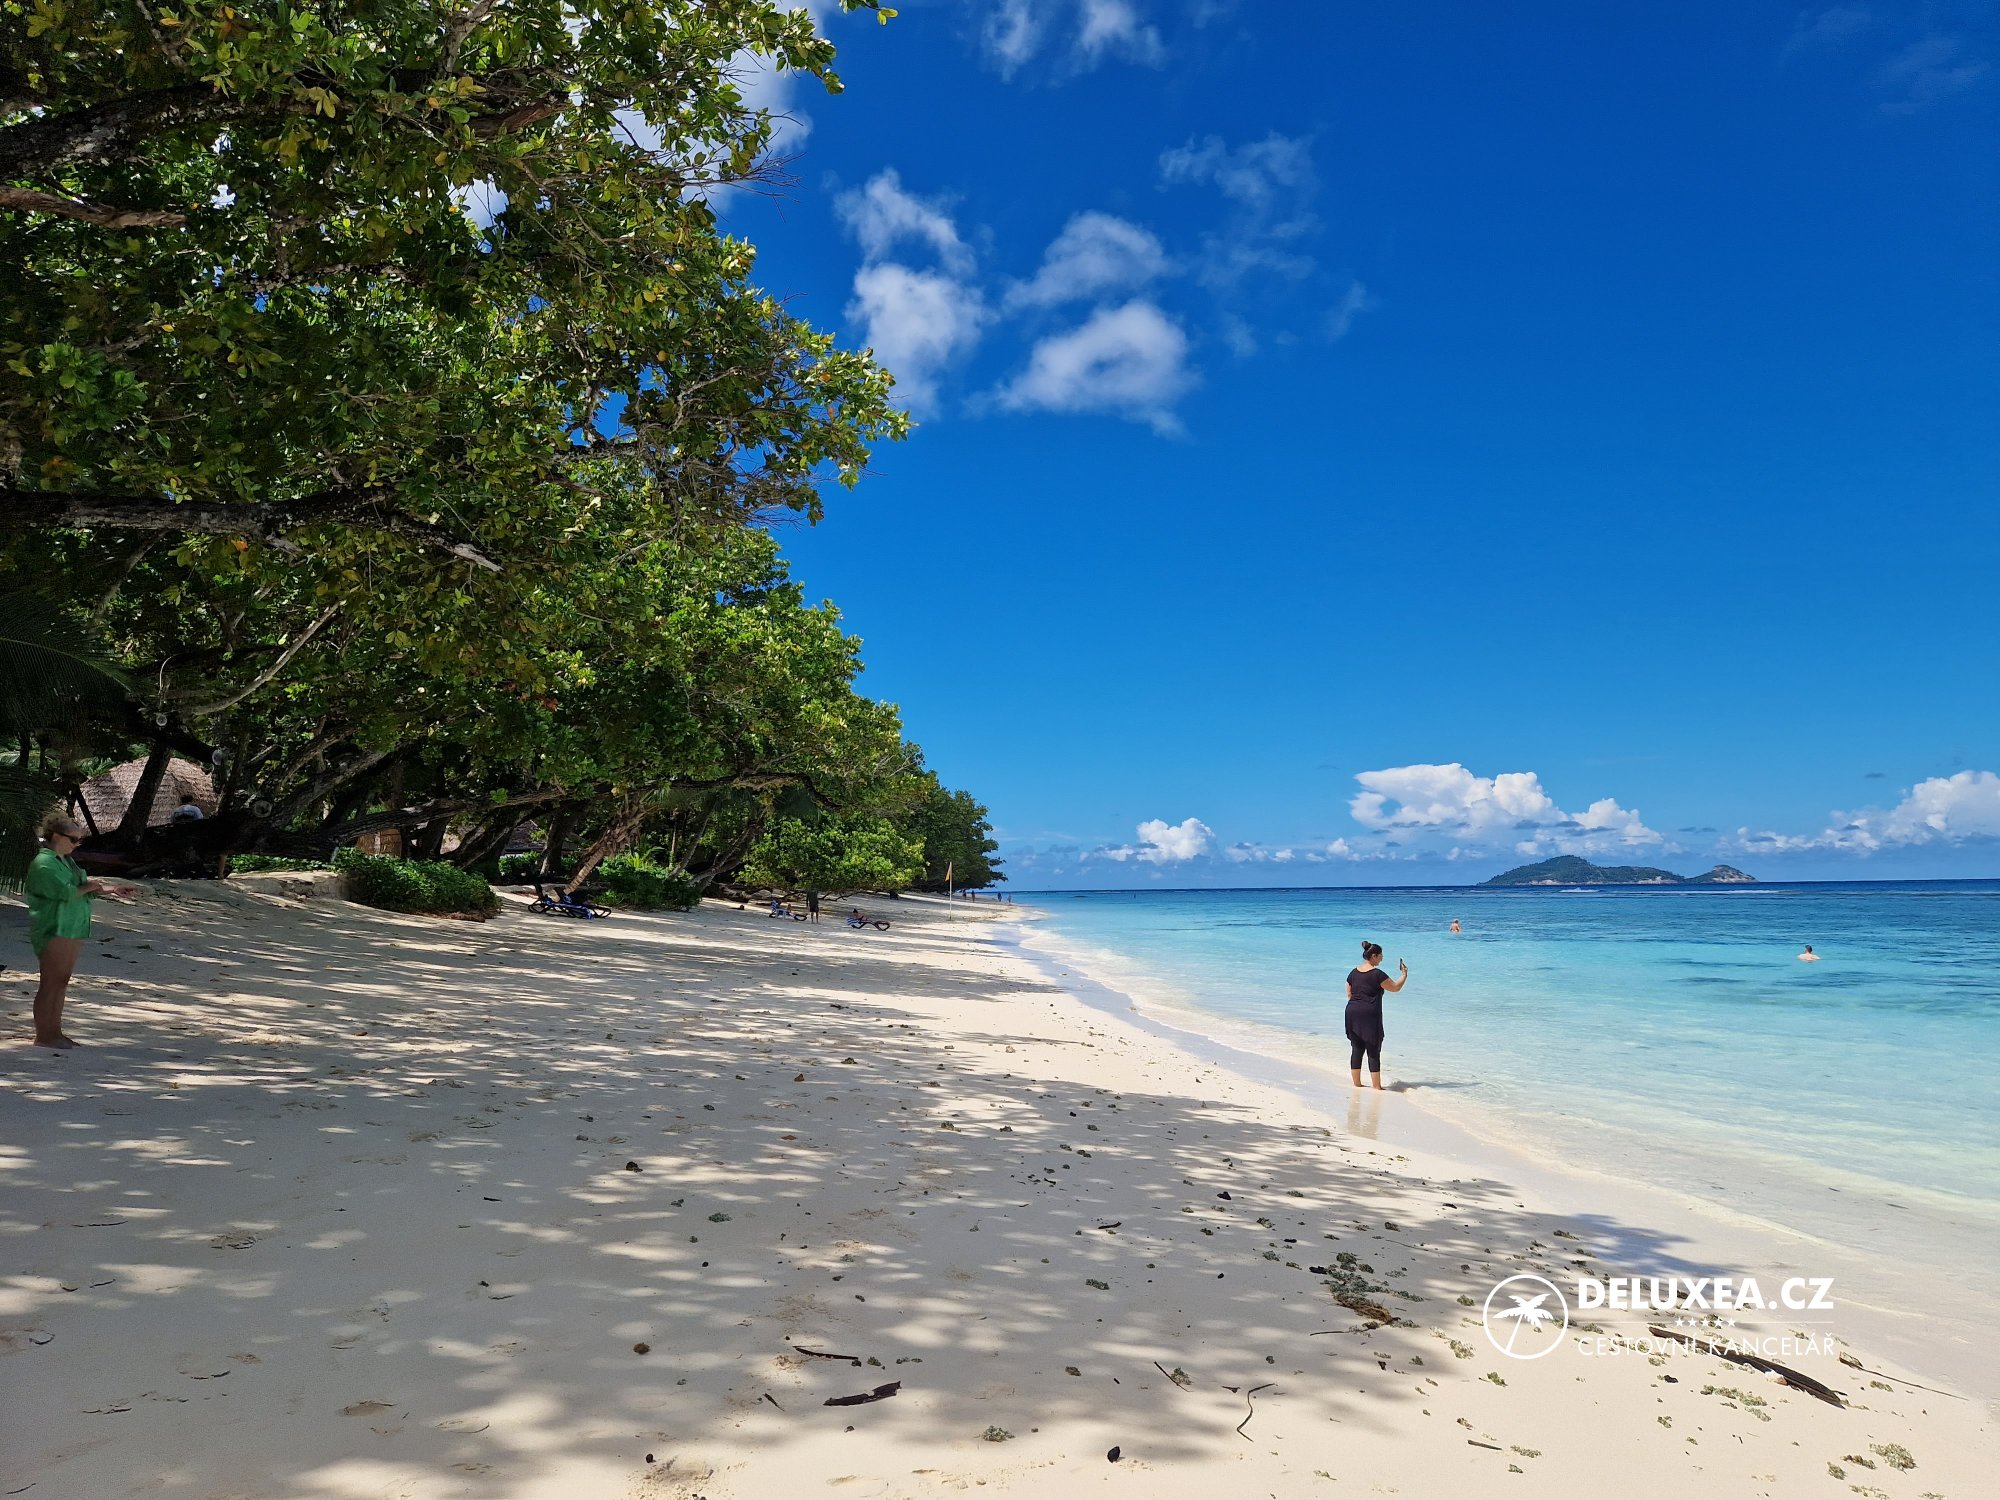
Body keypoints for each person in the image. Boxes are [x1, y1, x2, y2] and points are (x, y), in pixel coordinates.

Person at [24, 814, 136, 1049]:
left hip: (72, 925)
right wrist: (88, 887)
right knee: (50, 981)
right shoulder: (44, 863)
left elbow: (81, 888)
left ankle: (55, 1032)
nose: (76, 845)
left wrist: (111, 889)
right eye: (73, 839)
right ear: (56, 836)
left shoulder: (66, 861)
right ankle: (44, 1035)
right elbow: (65, 892)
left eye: (79, 841)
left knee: (61, 980)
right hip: (54, 925)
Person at [1345, 940, 1409, 1091]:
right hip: (1369, 1014)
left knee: (1357, 1048)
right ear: (1373, 956)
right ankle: (1376, 1086)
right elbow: (1395, 987)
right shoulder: (1377, 974)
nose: (1382, 958)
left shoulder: (1353, 972)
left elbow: (1349, 993)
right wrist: (1404, 974)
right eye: (1380, 955)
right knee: (1373, 1049)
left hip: (1352, 1012)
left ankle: (1357, 1084)